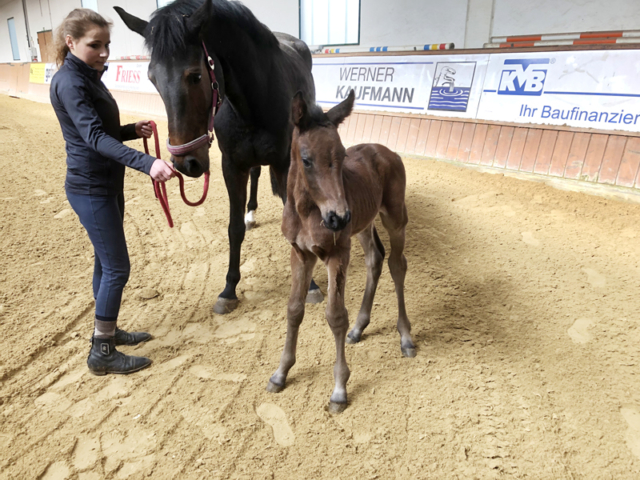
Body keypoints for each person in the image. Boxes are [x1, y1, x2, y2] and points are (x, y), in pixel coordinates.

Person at [50, 8, 175, 375]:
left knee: (106, 263)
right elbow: (92, 138)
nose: (104, 52)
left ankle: (108, 329)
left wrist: (131, 130)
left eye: (107, 44)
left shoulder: (86, 75)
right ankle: (101, 351)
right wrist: (147, 163)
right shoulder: (71, 82)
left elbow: (99, 130)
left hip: (105, 184)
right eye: (95, 45)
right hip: (92, 188)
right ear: (70, 42)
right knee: (118, 268)